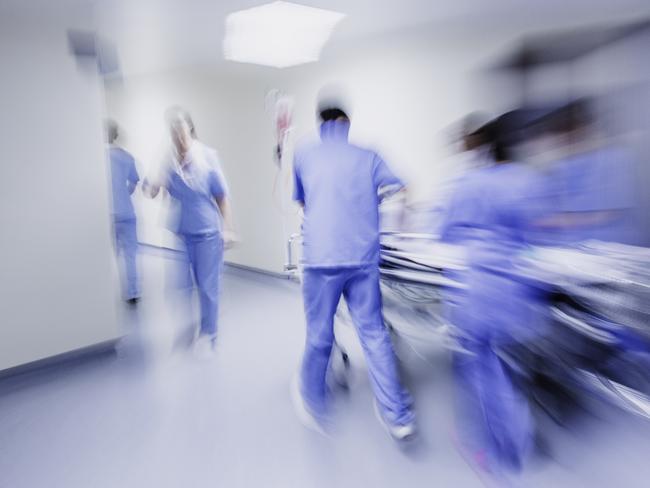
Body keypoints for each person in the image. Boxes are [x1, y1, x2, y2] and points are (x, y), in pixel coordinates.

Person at [291, 103, 416, 441]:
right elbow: (403, 189)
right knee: (374, 335)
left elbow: (302, 203)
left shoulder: (304, 154)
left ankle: (313, 401)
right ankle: (397, 416)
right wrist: (400, 230)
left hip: (321, 260)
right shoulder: (369, 156)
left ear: (321, 123)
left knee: (319, 335)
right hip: (362, 260)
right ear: (347, 122)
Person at [440, 112, 544, 475]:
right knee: (504, 367)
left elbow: (445, 233)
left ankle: (500, 457)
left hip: (480, 293)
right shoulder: (528, 180)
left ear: (483, 145)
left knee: (481, 369)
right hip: (517, 292)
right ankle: (517, 439)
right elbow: (535, 234)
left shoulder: (470, 183)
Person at [143, 107, 235, 354]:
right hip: (181, 232)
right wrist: (153, 179)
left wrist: (227, 229)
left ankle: (209, 334)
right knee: (179, 286)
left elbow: (222, 196)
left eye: (181, 130)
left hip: (207, 233)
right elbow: (152, 192)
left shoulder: (207, 156)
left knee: (207, 287)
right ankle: (188, 329)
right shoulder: (168, 161)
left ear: (190, 129)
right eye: (173, 132)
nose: (178, 137)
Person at [106, 120, 140, 305]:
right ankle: (133, 293)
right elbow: (134, 183)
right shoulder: (126, 157)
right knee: (130, 256)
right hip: (126, 212)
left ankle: (108, 294)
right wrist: (123, 194)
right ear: (116, 134)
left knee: (111, 256)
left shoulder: (97, 157)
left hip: (107, 215)